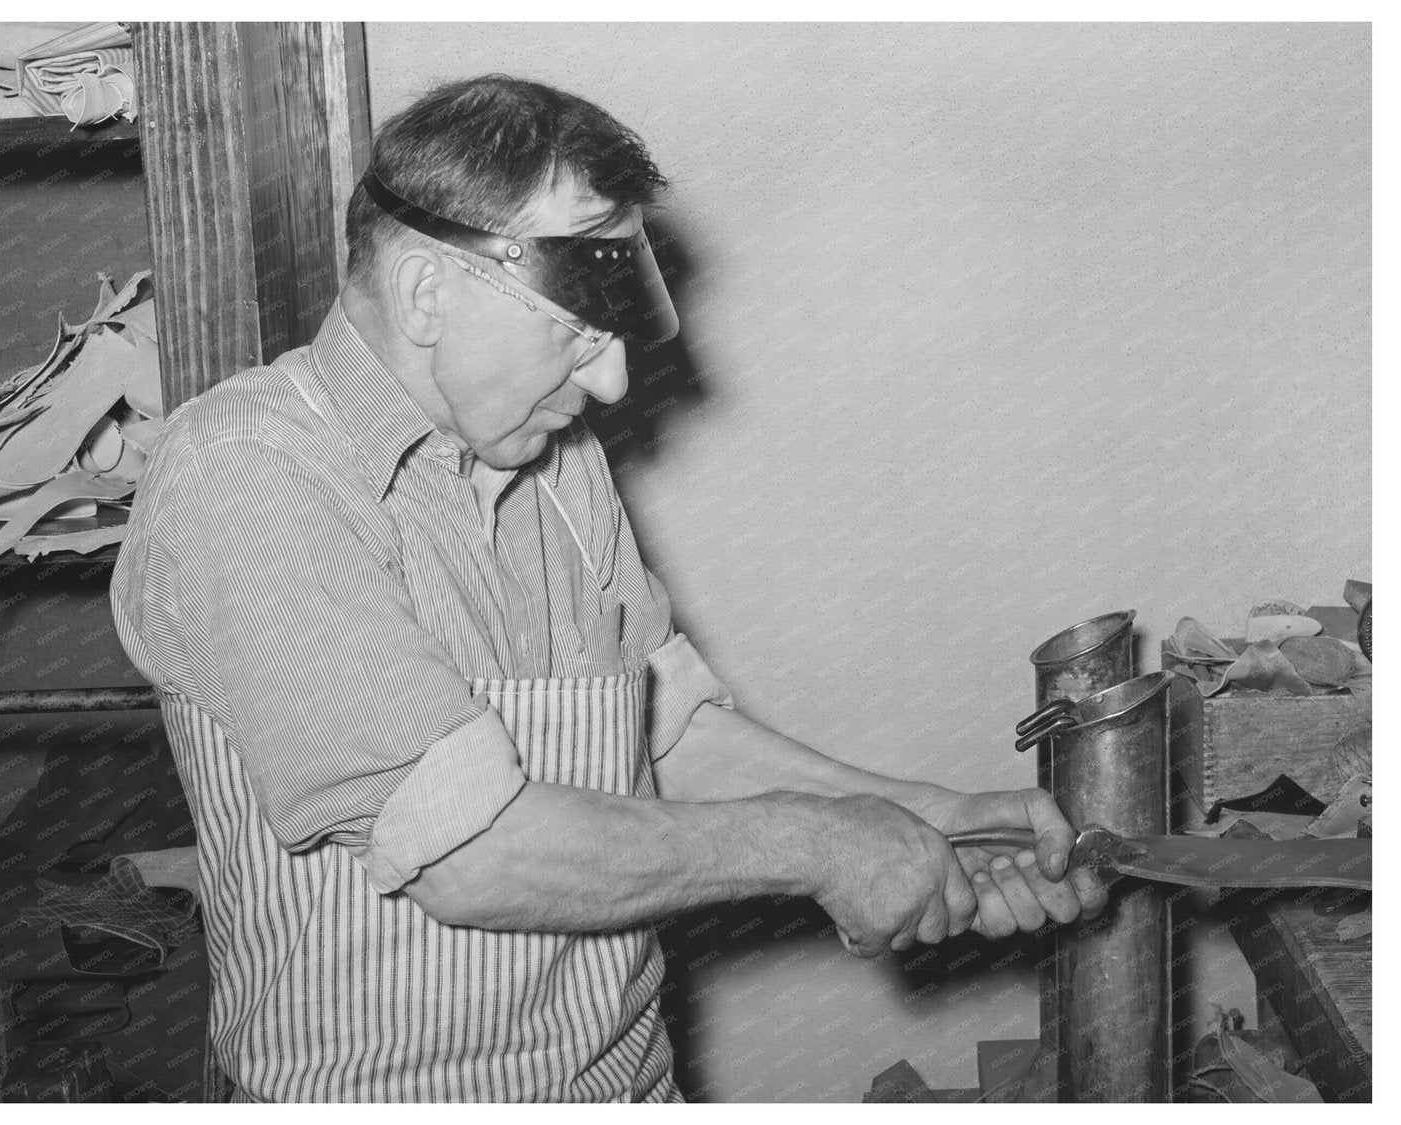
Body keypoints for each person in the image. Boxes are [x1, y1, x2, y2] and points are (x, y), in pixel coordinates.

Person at [111, 74, 1107, 1103]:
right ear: (423, 294)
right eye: (578, 331)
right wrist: (823, 845)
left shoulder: (554, 462)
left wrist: (929, 818)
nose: (612, 383)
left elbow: (672, 739)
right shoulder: (248, 472)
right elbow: (475, 856)